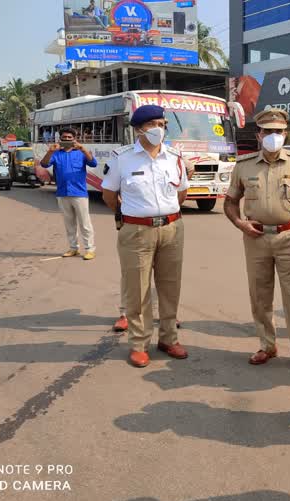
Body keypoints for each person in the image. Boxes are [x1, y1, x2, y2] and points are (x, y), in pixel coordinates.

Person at [224, 108, 290, 375]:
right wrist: (240, 223)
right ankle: (267, 345)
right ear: (259, 134)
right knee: (260, 295)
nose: (273, 136)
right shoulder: (243, 166)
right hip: (255, 238)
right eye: (268, 132)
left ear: (285, 134)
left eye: (278, 132)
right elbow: (230, 203)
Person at [101, 105, 190, 368]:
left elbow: (181, 193)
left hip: (172, 229)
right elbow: (109, 194)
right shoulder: (122, 158)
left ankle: (168, 338)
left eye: (162, 124)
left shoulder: (174, 157)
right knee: (137, 289)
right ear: (139, 128)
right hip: (136, 230)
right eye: (153, 124)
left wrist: (168, 212)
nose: (158, 129)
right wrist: (128, 215)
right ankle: (139, 344)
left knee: (170, 286)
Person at [39, 127, 97, 260]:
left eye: (69, 138)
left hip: (79, 193)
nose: (66, 140)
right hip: (62, 192)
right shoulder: (56, 153)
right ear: (60, 139)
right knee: (69, 223)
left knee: (85, 223)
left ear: (75, 139)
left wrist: (82, 148)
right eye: (64, 138)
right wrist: (50, 151)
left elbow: (93, 163)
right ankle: (73, 248)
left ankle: (90, 249)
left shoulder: (81, 153)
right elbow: (44, 164)